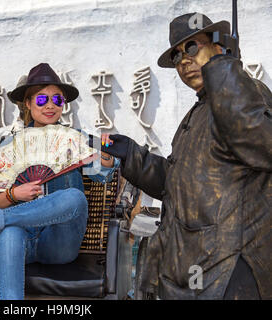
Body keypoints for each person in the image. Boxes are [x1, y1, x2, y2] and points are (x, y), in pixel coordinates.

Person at [101, 13, 272, 299]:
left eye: (192, 47)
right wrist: (132, 155)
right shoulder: (198, 112)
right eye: (177, 55)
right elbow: (178, 183)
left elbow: (260, 141)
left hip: (230, 266)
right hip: (190, 263)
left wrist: (223, 68)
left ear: (218, 47)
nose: (184, 60)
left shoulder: (244, 92)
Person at [0, 63, 119, 300]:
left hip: (59, 242)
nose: (51, 105)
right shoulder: (9, 146)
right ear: (28, 103)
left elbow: (101, 171)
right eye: (42, 100)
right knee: (10, 234)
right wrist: (15, 194)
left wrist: (105, 153)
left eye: (58, 100)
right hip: (20, 238)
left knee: (74, 198)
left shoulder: (74, 140)